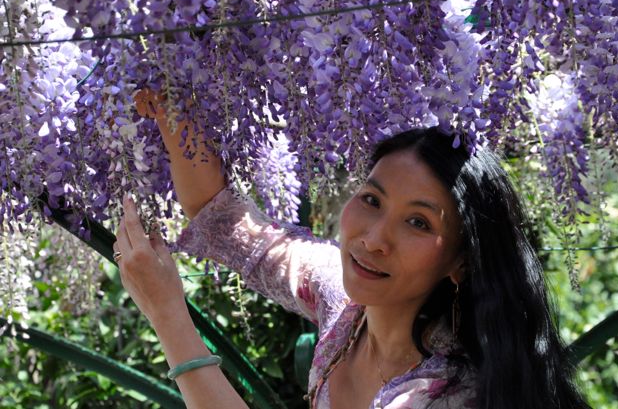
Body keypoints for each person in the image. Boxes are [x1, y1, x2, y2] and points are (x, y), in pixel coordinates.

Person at [112, 90, 591, 409]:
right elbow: (225, 222)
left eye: (418, 222)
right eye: (371, 200)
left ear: (461, 260)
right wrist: (174, 102)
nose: (373, 239)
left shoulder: (449, 394)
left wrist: (168, 314)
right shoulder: (347, 306)